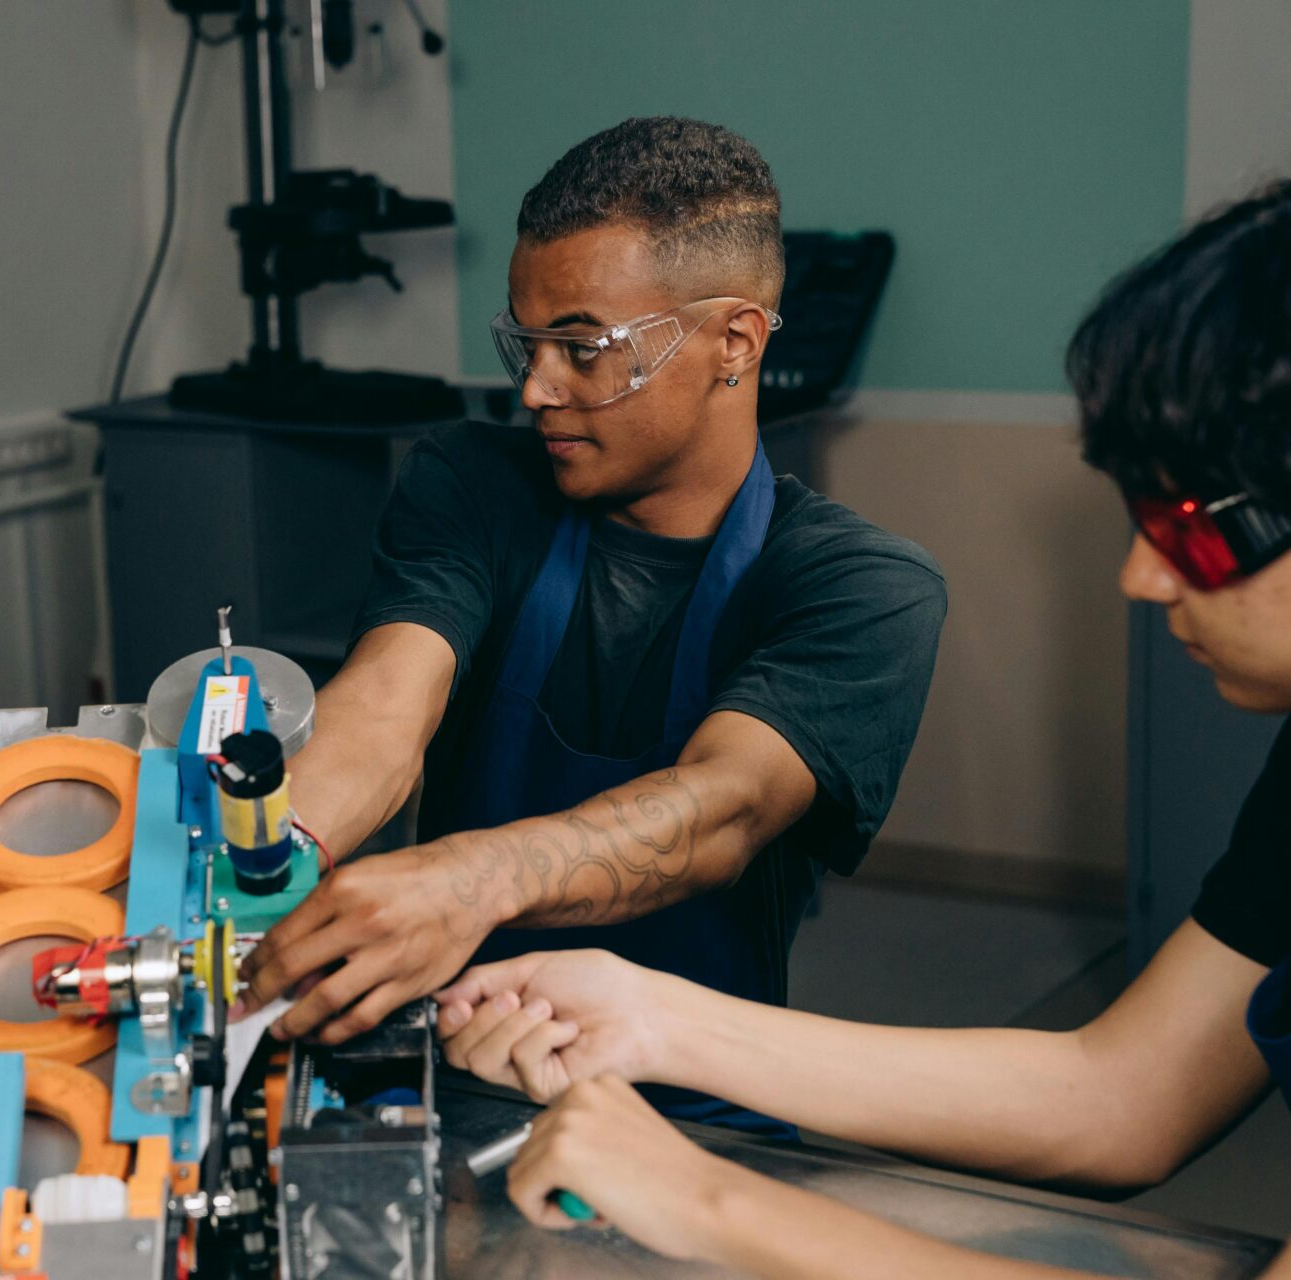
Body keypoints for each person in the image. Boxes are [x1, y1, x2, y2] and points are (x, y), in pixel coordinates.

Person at [434, 180, 1291, 1277]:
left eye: (1191, 529)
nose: (1142, 577)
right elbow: (1128, 1095)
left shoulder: (858, 577)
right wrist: (652, 1020)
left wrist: (713, 1202)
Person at [235, 116, 947, 1130]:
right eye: (527, 345)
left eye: (582, 348)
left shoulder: (859, 586)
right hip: (453, 1077)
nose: (537, 388)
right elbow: (386, 706)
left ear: (735, 343)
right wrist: (267, 856)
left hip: (696, 1117)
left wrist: (469, 881)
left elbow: (721, 808)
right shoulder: (473, 485)